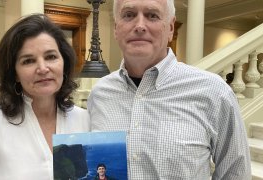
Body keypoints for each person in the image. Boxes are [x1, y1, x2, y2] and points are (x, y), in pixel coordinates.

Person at [87, 0, 251, 179]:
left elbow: (236, 173)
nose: (140, 25)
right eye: (129, 15)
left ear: (171, 28)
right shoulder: (99, 94)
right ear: (116, 28)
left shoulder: (214, 92)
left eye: (152, 15)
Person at [0, 14, 89, 180]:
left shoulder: (85, 120)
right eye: (28, 61)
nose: (42, 68)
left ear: (64, 63)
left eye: (51, 57)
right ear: (15, 74)